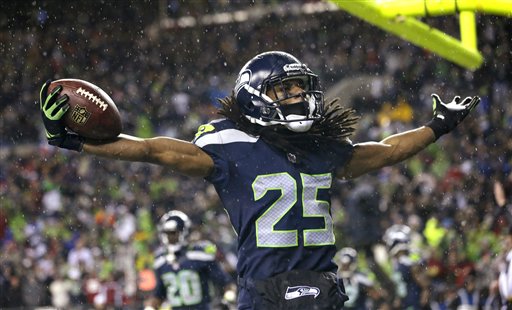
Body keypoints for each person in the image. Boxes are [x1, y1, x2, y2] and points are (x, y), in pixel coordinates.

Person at [39, 50, 480, 309]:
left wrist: (437, 126)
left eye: (299, 89)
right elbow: (152, 150)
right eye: (284, 91)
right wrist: (78, 143)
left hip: (319, 287)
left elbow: (387, 152)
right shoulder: (229, 145)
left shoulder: (323, 148)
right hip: (267, 291)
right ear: (255, 95)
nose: (298, 97)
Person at [144, 210, 236, 310]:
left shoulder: (200, 254)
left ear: (183, 232)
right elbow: (159, 293)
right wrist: (150, 307)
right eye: (165, 232)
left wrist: (228, 298)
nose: (168, 237)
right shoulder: (160, 260)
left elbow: (225, 282)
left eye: (172, 233)